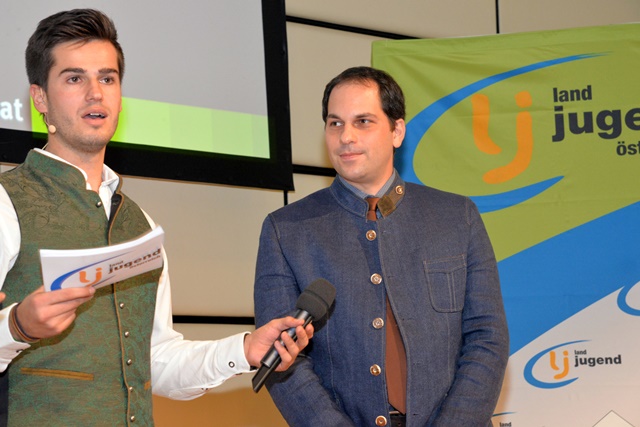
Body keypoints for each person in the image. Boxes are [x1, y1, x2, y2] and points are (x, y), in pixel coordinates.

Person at [0, 9, 313, 426]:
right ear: (40, 99)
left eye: (107, 79)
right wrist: (17, 326)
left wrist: (244, 350)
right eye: (74, 79)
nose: (95, 94)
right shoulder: (7, 202)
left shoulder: (140, 224)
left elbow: (157, 362)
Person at [253, 66, 509, 426]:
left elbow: (487, 338)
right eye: (335, 123)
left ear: (397, 131)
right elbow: (283, 359)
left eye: (363, 122)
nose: (346, 137)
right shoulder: (286, 230)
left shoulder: (457, 217)